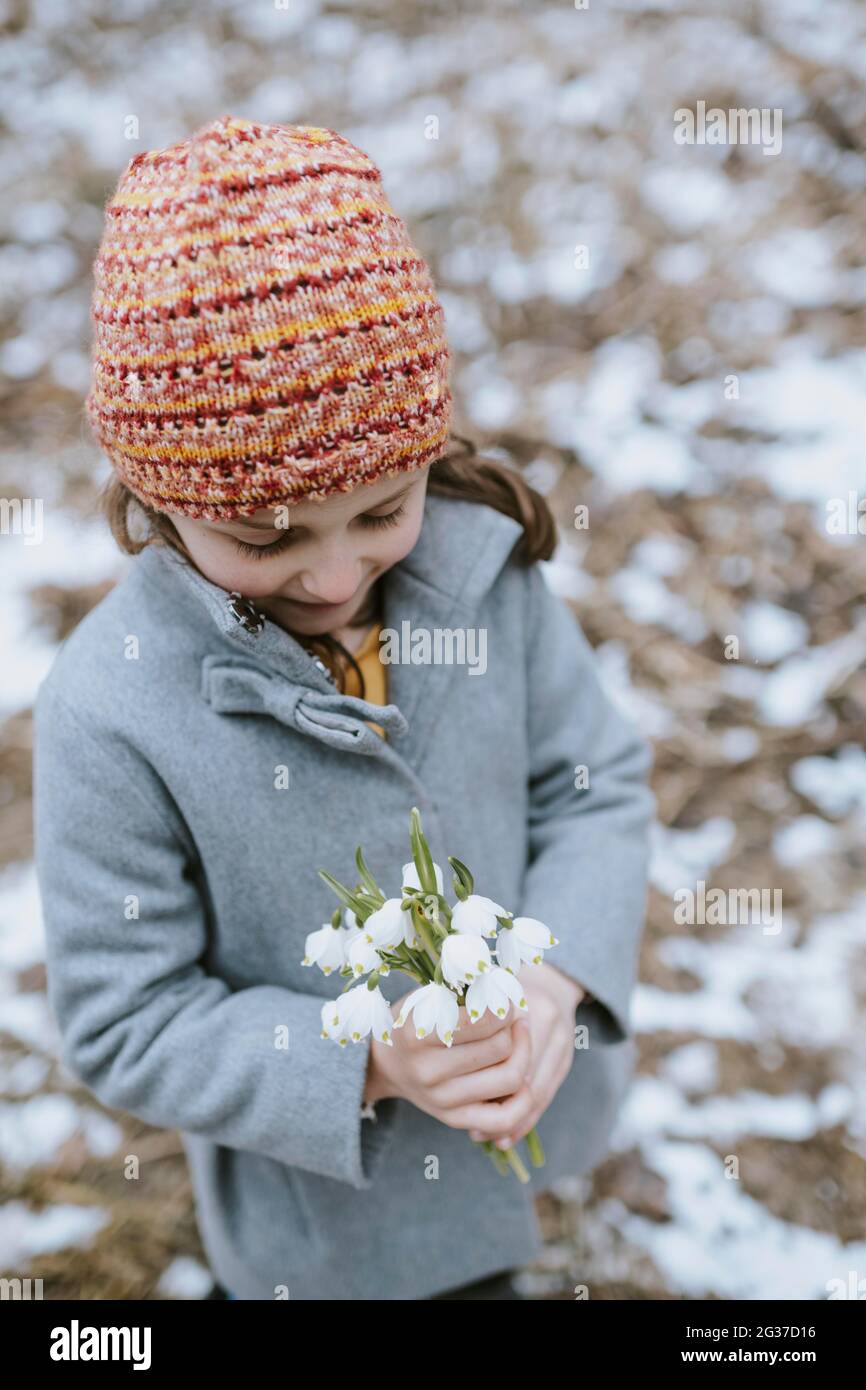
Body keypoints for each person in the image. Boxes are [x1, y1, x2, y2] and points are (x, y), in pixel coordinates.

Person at [32, 116, 656, 1301]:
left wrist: (550, 979)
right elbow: (128, 1018)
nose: (331, 578)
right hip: (332, 1231)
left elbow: (595, 786)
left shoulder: (485, 580)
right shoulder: (111, 711)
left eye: (380, 512)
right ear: (158, 503)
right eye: (265, 536)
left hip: (527, 1128)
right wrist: (367, 1054)